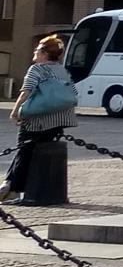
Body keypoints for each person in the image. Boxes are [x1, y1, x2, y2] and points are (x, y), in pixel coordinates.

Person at [4, 34, 79, 203]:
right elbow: (73, 93)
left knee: (24, 150)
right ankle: (9, 184)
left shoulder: (37, 69)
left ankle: (13, 189)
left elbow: (26, 91)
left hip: (37, 120)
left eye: (37, 49)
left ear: (44, 53)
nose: (34, 51)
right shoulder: (62, 70)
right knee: (32, 152)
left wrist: (15, 112)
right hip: (60, 120)